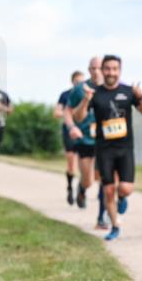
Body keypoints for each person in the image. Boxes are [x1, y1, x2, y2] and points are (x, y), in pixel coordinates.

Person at [72, 54, 142, 241]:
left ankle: (122, 199)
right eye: (107, 68)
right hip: (104, 149)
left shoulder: (128, 91)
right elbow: (78, 117)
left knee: (125, 188)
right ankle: (115, 225)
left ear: (119, 71)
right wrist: (85, 100)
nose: (111, 72)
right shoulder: (95, 93)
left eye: (114, 69)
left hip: (125, 148)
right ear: (102, 70)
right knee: (108, 190)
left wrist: (141, 97)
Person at [66, 58, 109, 227]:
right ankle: (82, 189)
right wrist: (71, 127)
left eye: (100, 68)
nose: (97, 71)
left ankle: (101, 216)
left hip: (105, 139)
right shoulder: (79, 89)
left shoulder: (110, 87)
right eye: (93, 68)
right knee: (88, 180)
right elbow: (68, 112)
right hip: (85, 139)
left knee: (105, 178)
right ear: (89, 70)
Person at [55, 71, 85, 205]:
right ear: (72, 82)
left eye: (82, 81)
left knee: (85, 164)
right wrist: (70, 112)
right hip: (69, 131)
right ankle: (70, 188)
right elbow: (56, 113)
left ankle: (81, 189)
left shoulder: (87, 94)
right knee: (71, 162)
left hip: (85, 132)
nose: (79, 84)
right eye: (77, 81)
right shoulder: (65, 95)